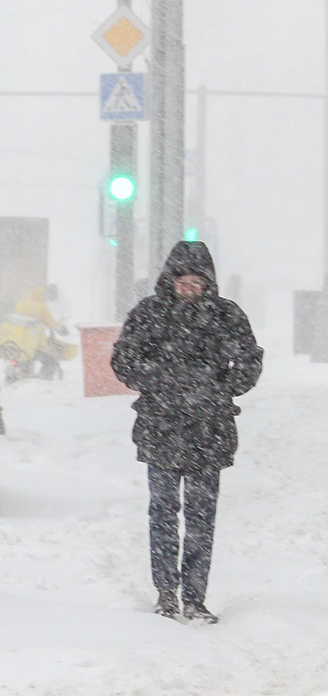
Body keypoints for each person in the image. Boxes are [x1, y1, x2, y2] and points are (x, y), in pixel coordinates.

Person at [111, 240, 262, 623]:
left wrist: (217, 387)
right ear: (170, 280)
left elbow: (249, 361)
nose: (189, 287)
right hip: (162, 428)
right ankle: (166, 593)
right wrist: (164, 381)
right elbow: (124, 360)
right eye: (183, 280)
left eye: (197, 281)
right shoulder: (150, 314)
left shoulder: (227, 316)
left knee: (201, 517)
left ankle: (194, 596)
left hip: (208, 430)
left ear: (207, 283)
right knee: (162, 512)